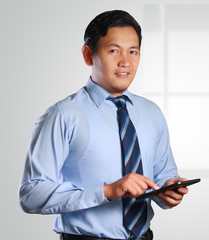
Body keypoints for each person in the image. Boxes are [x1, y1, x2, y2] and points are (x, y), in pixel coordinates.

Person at [19, 10, 188, 240]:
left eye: (133, 51)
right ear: (88, 55)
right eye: (113, 50)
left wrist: (167, 189)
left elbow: (162, 173)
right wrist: (108, 191)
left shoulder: (151, 113)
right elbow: (31, 194)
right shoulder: (63, 116)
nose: (125, 62)